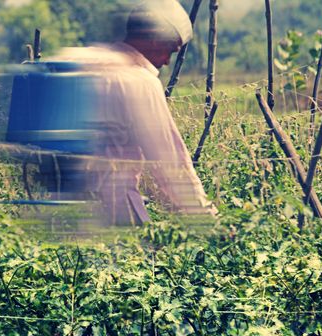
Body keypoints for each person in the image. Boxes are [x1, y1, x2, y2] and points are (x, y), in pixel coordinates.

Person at [51, 0, 216, 226]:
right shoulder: (138, 80)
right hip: (112, 212)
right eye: (170, 50)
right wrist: (207, 219)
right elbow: (171, 165)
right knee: (146, 257)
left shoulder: (71, 60)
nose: (167, 61)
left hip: (53, 208)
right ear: (155, 38)